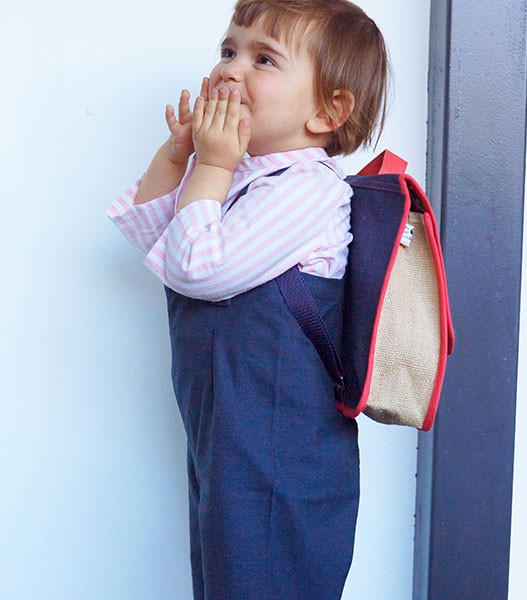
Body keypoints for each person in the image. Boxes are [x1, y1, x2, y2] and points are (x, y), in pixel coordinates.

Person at [107, 1, 390, 598]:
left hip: (280, 459)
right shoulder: (238, 179)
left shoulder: (306, 190)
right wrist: (180, 156)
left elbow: (196, 267)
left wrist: (211, 164)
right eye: (228, 51)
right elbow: (155, 235)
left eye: (264, 59)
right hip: (229, 443)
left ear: (327, 111)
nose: (231, 70)